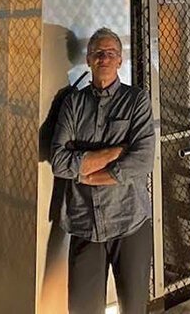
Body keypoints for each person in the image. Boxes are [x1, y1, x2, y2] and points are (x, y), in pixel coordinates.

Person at [51, 27, 155, 314]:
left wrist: (89, 173)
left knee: (133, 307)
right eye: (98, 53)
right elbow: (59, 162)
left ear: (120, 60)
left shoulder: (137, 101)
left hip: (129, 222)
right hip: (85, 223)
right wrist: (114, 152)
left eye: (111, 53)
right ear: (88, 59)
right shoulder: (73, 103)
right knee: (82, 309)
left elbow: (143, 159)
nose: (104, 58)